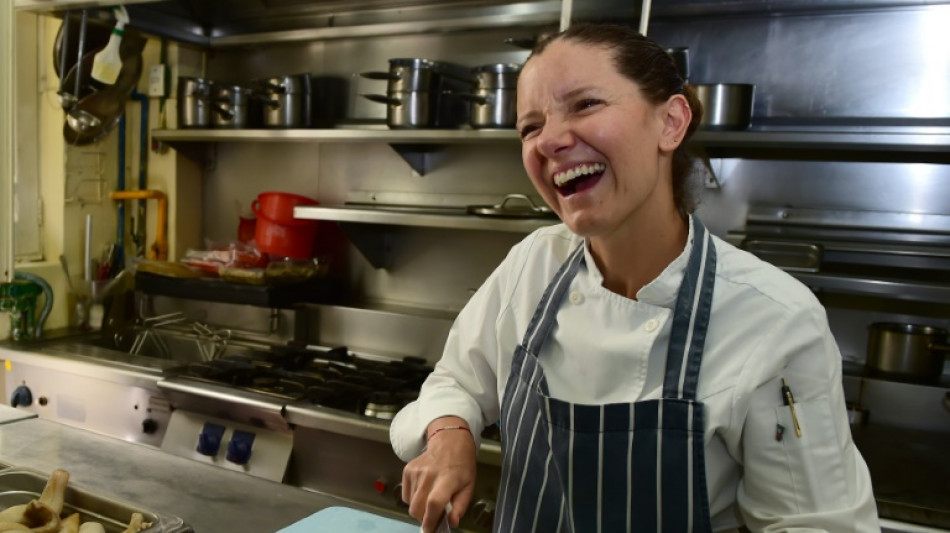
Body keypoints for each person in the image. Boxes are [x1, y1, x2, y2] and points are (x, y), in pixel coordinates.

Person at [390, 22, 879, 533]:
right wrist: (450, 434)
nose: (550, 140)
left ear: (670, 122)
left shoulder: (775, 318)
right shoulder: (533, 263)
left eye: (584, 105)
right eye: (530, 126)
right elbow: (457, 382)